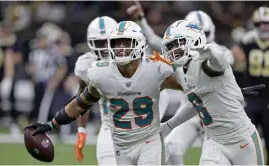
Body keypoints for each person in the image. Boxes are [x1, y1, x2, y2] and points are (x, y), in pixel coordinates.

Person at [24, 20, 183, 165]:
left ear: (139, 44)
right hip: (121, 145)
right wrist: (51, 124)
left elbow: (190, 89)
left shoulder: (157, 68)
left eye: (126, 42)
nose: (121, 48)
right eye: (117, 43)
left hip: (149, 141)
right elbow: (80, 104)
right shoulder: (101, 73)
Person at [127, 5, 234, 165]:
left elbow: (222, 69)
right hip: (192, 112)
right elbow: (155, 40)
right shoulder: (179, 59)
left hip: (219, 113)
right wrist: (141, 19)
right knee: (171, 148)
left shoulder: (220, 53)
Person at [159, 20, 265, 165]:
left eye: (178, 43)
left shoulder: (207, 61)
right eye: (171, 46)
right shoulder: (181, 71)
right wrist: (169, 125)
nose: (174, 50)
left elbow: (219, 63)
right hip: (214, 141)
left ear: (194, 40)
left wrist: (212, 52)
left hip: (241, 138)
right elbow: (197, 103)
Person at [74, 16, 118, 164]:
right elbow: (82, 99)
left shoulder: (135, 61)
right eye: (100, 42)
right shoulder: (86, 64)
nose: (105, 48)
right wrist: (81, 130)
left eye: (109, 41)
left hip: (142, 127)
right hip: (109, 127)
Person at [232, 6, 269, 165]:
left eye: (266, 23)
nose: (263, 27)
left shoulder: (247, 39)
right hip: (252, 97)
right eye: (260, 23)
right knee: (245, 138)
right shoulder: (247, 40)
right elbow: (234, 60)